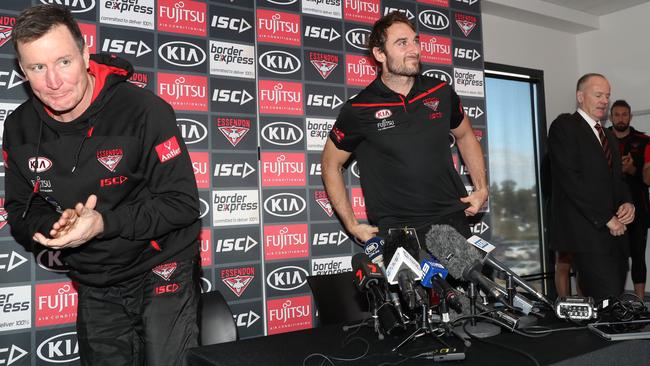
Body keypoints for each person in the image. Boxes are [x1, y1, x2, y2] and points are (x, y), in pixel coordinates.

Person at [3, 5, 201, 366]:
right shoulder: (18, 128)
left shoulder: (143, 111)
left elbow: (182, 203)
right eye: (37, 68)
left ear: (84, 53)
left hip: (161, 264)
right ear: (22, 71)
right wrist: (55, 224)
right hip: (95, 276)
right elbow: (19, 209)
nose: (53, 82)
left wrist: (103, 223)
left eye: (63, 62)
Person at [321, 11, 487, 252]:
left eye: (415, 41)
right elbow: (329, 165)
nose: (415, 49)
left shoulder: (441, 91)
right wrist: (352, 224)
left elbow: (465, 135)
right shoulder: (359, 109)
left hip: (452, 218)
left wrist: (481, 188)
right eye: (402, 43)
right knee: (409, 292)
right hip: (399, 231)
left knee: (465, 290)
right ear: (379, 54)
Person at [548, 73, 634, 301]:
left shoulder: (609, 136)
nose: (604, 101)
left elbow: (618, 180)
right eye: (598, 95)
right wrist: (606, 218)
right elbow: (570, 180)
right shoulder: (564, 126)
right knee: (603, 295)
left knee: (614, 296)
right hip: (585, 230)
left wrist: (628, 202)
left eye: (607, 96)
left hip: (614, 233)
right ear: (580, 97)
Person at [609, 99, 649, 299]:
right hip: (607, 210)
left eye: (625, 114)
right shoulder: (601, 138)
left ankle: (641, 302)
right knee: (613, 258)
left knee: (638, 256)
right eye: (617, 114)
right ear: (611, 117)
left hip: (638, 209)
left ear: (630, 117)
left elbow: (647, 179)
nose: (621, 118)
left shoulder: (644, 140)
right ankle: (611, 301)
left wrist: (631, 168)